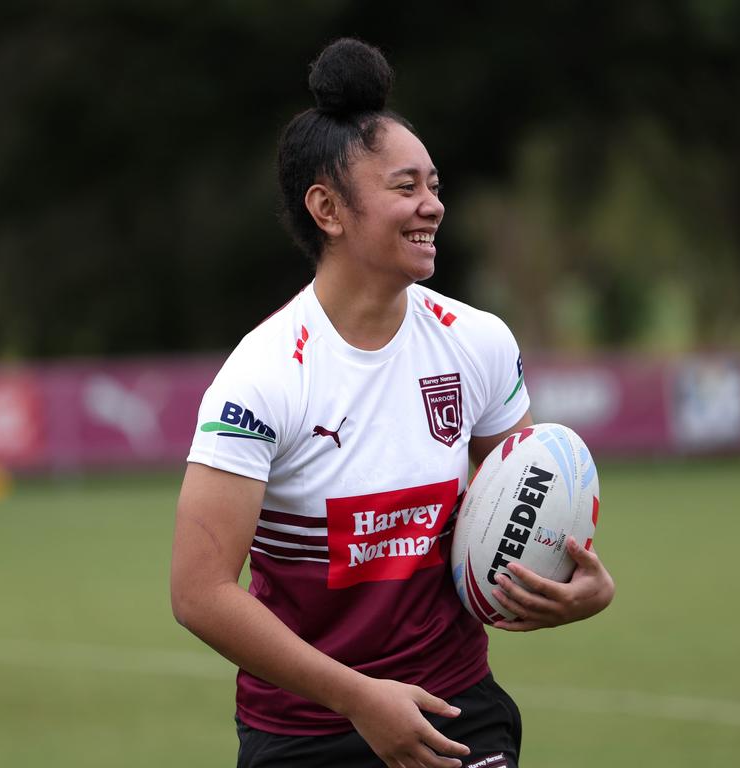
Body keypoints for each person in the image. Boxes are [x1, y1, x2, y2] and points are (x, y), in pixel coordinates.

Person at [171, 38, 615, 768]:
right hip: (306, 733)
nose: (432, 205)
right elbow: (199, 592)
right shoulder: (261, 376)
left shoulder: (477, 342)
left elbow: (528, 496)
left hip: (454, 708)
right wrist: (355, 696)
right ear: (328, 209)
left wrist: (578, 582)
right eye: (406, 187)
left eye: (434, 185)